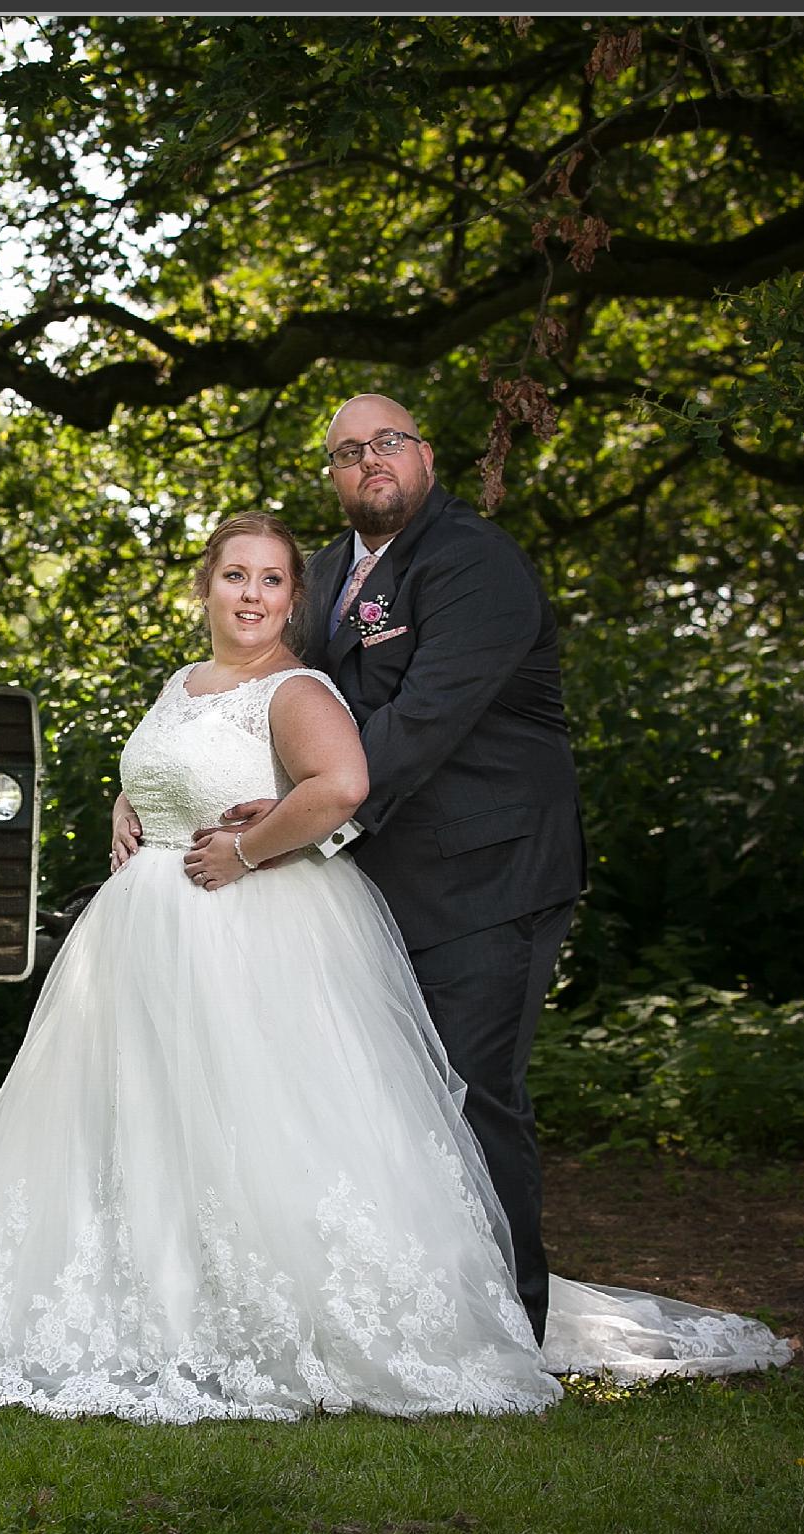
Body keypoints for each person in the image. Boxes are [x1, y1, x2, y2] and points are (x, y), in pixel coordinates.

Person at [0, 513, 789, 1422]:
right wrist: (132, 810)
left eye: (272, 581)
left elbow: (345, 785)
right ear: (205, 587)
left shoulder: (296, 690)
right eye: (235, 576)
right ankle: (150, 1286)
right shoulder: (182, 681)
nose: (251, 595)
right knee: (141, 1126)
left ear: (294, 601)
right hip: (143, 940)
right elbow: (161, 777)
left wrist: (247, 851)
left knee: (253, 1127)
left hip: (247, 929)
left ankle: (285, 1313)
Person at [201, 394, 584, 1346]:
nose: (368, 460)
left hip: (486, 880)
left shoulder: (475, 562)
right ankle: (417, 1319)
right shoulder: (325, 573)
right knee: (382, 1102)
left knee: (471, 1091)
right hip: (369, 892)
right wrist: (159, 785)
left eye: (386, 442)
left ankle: (510, 1331)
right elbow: (256, 694)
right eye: (345, 452)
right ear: (330, 477)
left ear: (425, 452)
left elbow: (418, 726)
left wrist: (296, 821)